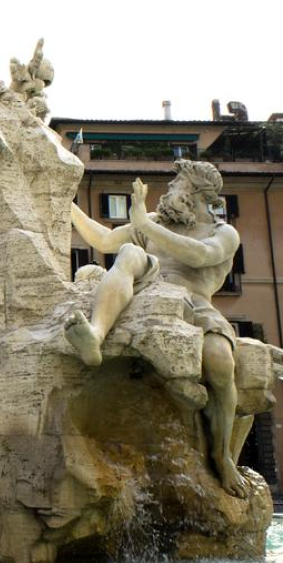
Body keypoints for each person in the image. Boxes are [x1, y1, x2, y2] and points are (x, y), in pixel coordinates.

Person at [65, 160, 246, 497]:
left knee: (221, 361)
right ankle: (95, 336)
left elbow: (200, 256)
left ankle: (222, 456)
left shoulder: (222, 232)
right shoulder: (153, 223)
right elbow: (102, 239)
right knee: (129, 252)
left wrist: (145, 225)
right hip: (151, 287)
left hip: (196, 303)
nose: (169, 189)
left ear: (196, 192)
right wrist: (65, 202)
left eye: (177, 183)